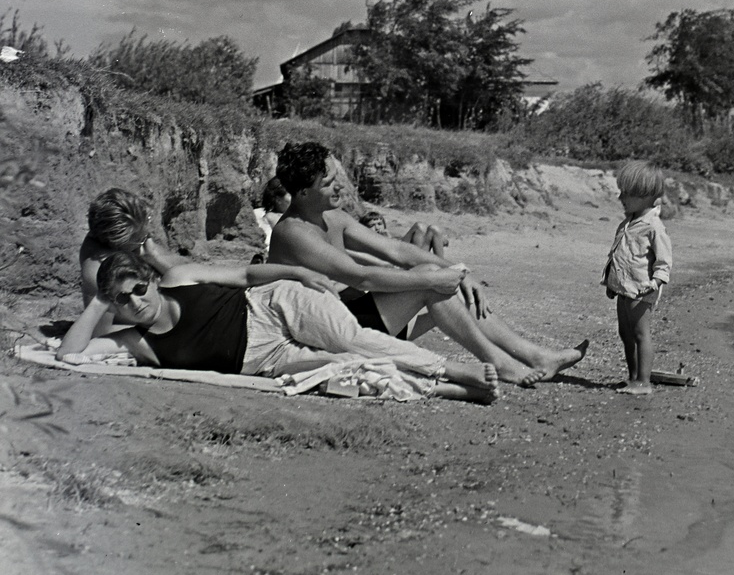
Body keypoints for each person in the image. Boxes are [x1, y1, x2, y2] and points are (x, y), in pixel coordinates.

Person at [269, 140, 587, 388]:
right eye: (328, 183)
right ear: (302, 193)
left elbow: (397, 251)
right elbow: (362, 277)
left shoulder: (331, 216)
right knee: (432, 282)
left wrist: (459, 271)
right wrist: (435, 280)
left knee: (440, 277)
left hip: (351, 316)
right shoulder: (295, 233)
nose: (339, 187)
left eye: (337, 178)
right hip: (324, 332)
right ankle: (501, 363)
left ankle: (534, 356)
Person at [58, 252, 501, 404]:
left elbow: (246, 276)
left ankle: (452, 370)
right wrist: (100, 300)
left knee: (353, 340)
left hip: (272, 306)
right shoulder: (137, 342)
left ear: (150, 279)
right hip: (264, 360)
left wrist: (296, 273)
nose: (135, 302)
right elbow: (69, 355)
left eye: (137, 288)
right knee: (345, 377)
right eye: (122, 300)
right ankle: (449, 390)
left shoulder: (179, 277)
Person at [603, 161, 672, 396]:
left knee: (641, 333)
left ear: (645, 197)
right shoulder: (629, 222)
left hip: (642, 288)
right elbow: (618, 254)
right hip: (624, 286)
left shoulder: (654, 226)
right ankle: (632, 377)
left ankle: (644, 381)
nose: (621, 198)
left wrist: (655, 283)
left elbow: (663, 263)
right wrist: (610, 282)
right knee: (625, 333)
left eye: (628, 194)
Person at [79, 187, 179, 308]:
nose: (146, 239)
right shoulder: (97, 270)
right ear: (116, 243)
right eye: (139, 239)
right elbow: (100, 324)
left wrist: (154, 257)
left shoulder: (134, 241)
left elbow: (188, 270)